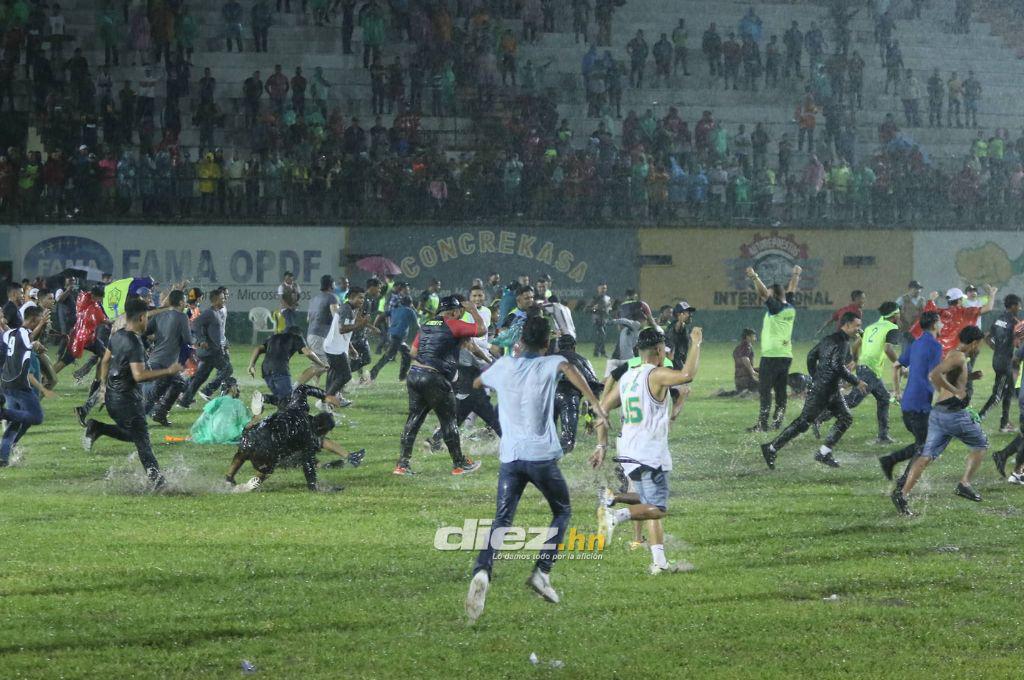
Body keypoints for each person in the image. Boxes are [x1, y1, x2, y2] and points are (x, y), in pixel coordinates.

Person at [464, 315, 607, 623]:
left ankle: (482, 571)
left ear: (521, 340)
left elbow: (477, 382)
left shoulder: (504, 367)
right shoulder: (551, 362)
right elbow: (569, 369)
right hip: (540, 458)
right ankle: (541, 572)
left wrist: (500, 366)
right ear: (547, 342)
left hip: (511, 458)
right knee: (562, 510)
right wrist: (594, 403)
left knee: (502, 517)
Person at [591, 325, 703, 574]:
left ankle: (659, 563)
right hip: (649, 452)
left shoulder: (628, 376)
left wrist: (601, 445)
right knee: (659, 509)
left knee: (648, 503)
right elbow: (686, 376)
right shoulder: (657, 374)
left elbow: (602, 409)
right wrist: (696, 343)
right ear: (660, 350)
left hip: (628, 450)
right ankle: (615, 517)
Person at [82, 299, 183, 489]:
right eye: (147, 319)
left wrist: (103, 388)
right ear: (141, 317)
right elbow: (140, 375)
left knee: (133, 435)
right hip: (127, 401)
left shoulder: (117, 335)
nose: (147, 324)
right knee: (143, 442)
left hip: (112, 398)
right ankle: (158, 483)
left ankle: (98, 427)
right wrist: (169, 371)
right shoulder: (134, 342)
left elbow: (104, 362)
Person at [891, 326, 989, 516]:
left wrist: (971, 377)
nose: (980, 349)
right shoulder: (959, 356)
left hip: (939, 413)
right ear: (974, 342)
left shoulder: (955, 355)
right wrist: (956, 391)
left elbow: (948, 377)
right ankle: (964, 483)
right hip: (953, 414)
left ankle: (902, 494)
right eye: (980, 345)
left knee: (926, 456)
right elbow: (934, 375)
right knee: (981, 444)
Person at [760, 312, 869, 470]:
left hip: (829, 389)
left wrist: (815, 375)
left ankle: (824, 453)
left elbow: (811, 356)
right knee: (803, 423)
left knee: (845, 418)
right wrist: (856, 381)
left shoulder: (828, 339)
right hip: (823, 391)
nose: (859, 329)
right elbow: (837, 366)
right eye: (857, 326)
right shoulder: (842, 344)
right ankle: (770, 448)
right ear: (846, 325)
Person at [393, 295, 485, 476]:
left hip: (414, 375)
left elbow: (413, 352)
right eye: (460, 312)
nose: (460, 315)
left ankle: (402, 465)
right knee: (449, 421)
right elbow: (481, 329)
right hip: (435, 378)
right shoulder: (452, 323)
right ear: (453, 311)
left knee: (414, 419)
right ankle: (459, 464)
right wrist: (473, 309)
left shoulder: (426, 324)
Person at [225, 384, 360, 492]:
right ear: (322, 431)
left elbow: (303, 388)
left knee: (243, 451)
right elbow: (308, 466)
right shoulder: (309, 439)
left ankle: (229, 478)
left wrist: (325, 396)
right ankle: (248, 487)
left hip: (252, 434)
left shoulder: (299, 407)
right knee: (265, 470)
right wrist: (314, 485)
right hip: (266, 454)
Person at [879, 311, 943, 482]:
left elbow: (896, 365)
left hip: (908, 403)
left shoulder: (916, 343)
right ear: (934, 324)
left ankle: (890, 461)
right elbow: (933, 375)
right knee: (924, 446)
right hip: (920, 404)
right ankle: (902, 484)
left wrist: (897, 391)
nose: (943, 325)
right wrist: (944, 397)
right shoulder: (935, 346)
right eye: (941, 322)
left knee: (923, 443)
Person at [746, 265, 801, 431]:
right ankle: (777, 422)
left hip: (771, 356)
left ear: (774, 295)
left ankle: (762, 424)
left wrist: (754, 277)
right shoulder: (789, 305)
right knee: (780, 391)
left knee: (764, 391)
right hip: (785, 355)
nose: (766, 297)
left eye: (770, 294)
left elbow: (763, 294)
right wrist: (796, 274)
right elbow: (792, 289)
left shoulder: (776, 308)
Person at [1, 306, 56, 466]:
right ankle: (2, 413)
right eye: (38, 320)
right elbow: (28, 338)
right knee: (36, 417)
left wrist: (35, 341)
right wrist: (37, 339)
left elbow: (23, 340)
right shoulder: (25, 335)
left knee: (15, 421)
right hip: (20, 386)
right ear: (33, 320)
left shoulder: (10, 334)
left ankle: (3, 457)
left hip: (7, 384)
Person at [843, 302, 901, 444]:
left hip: (866, 368)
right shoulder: (892, 327)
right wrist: (899, 363)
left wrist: (855, 360)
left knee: (884, 398)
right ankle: (819, 416)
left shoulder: (872, 326)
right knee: (852, 401)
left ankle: (883, 436)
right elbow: (888, 349)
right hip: (870, 370)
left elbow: (856, 344)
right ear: (894, 315)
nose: (900, 315)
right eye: (899, 313)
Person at [143, 289, 192, 426]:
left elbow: (145, 331)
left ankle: (160, 414)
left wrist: (154, 339)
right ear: (181, 302)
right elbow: (188, 340)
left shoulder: (160, 314)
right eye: (185, 300)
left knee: (179, 383)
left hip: (155, 359)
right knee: (154, 394)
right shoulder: (182, 317)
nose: (186, 303)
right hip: (166, 363)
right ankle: (138, 420)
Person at [247, 326, 327, 408]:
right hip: (280, 370)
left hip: (266, 370)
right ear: (299, 333)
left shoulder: (273, 337)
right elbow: (308, 353)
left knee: (283, 399)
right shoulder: (296, 337)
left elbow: (258, 349)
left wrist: (251, 365)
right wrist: (321, 363)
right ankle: (263, 398)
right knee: (288, 401)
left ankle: (262, 398)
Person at [178, 288, 229, 407]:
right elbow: (195, 324)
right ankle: (208, 390)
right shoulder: (209, 312)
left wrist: (225, 342)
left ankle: (184, 400)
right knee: (227, 369)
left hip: (210, 351)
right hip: (210, 351)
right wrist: (201, 340)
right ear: (215, 300)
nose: (225, 300)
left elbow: (218, 332)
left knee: (199, 378)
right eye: (222, 298)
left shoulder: (216, 312)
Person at [553, 334, 603, 453]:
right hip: (569, 397)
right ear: (574, 347)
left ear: (558, 347)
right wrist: (589, 419)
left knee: (544, 438)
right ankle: (550, 462)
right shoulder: (582, 360)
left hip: (546, 398)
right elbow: (594, 387)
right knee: (568, 441)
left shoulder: (548, 359)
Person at [911, 286, 997, 355]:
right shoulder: (966, 312)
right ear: (960, 300)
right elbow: (988, 308)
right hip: (955, 355)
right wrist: (992, 294)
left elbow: (927, 314)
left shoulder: (939, 313)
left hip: (937, 355)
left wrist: (931, 300)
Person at [978, 294, 1021, 431]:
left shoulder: (998, 318)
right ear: (1013, 306)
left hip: (997, 358)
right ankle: (978, 418)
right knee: (998, 394)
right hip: (1006, 362)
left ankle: (1004, 423)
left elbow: (987, 336)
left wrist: (996, 348)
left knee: (1008, 392)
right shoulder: (1015, 322)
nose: (1020, 308)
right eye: (1019, 305)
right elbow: (1019, 344)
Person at [321, 287, 369, 402]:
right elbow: (342, 329)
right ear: (352, 297)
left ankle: (330, 399)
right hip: (334, 348)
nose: (362, 300)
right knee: (346, 375)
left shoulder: (350, 308)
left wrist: (350, 348)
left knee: (334, 373)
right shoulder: (346, 309)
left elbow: (344, 333)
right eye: (360, 297)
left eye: (363, 298)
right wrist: (360, 325)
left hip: (335, 346)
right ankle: (327, 399)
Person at [369, 294, 417, 382]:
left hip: (391, 336)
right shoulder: (410, 311)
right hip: (397, 337)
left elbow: (380, 315)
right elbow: (417, 326)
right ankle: (372, 374)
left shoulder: (395, 309)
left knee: (406, 355)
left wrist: (375, 326)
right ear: (410, 303)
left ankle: (402, 376)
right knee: (389, 356)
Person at [304, 274, 336, 384]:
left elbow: (308, 319)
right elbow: (335, 316)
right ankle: (298, 384)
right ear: (331, 285)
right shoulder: (332, 297)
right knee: (327, 366)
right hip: (320, 336)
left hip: (310, 334)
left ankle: (315, 385)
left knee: (318, 364)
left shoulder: (314, 299)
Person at [717, 328, 759, 397]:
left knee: (742, 391)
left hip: (738, 380)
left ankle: (723, 393)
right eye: (754, 336)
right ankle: (744, 393)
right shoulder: (746, 346)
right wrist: (752, 372)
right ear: (748, 337)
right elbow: (744, 358)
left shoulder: (738, 347)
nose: (755, 338)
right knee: (763, 389)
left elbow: (742, 365)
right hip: (746, 379)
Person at [895, 280, 926, 351]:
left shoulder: (922, 300)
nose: (918, 291)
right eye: (915, 288)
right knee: (906, 351)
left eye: (919, 289)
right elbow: (894, 310)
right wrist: (898, 321)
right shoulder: (902, 299)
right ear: (909, 289)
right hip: (906, 330)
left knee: (918, 352)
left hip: (919, 331)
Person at [667, 301, 694, 369]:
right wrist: (680, 322)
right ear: (679, 314)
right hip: (675, 364)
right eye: (688, 312)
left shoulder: (673, 325)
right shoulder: (678, 325)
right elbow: (677, 329)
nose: (691, 314)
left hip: (674, 362)